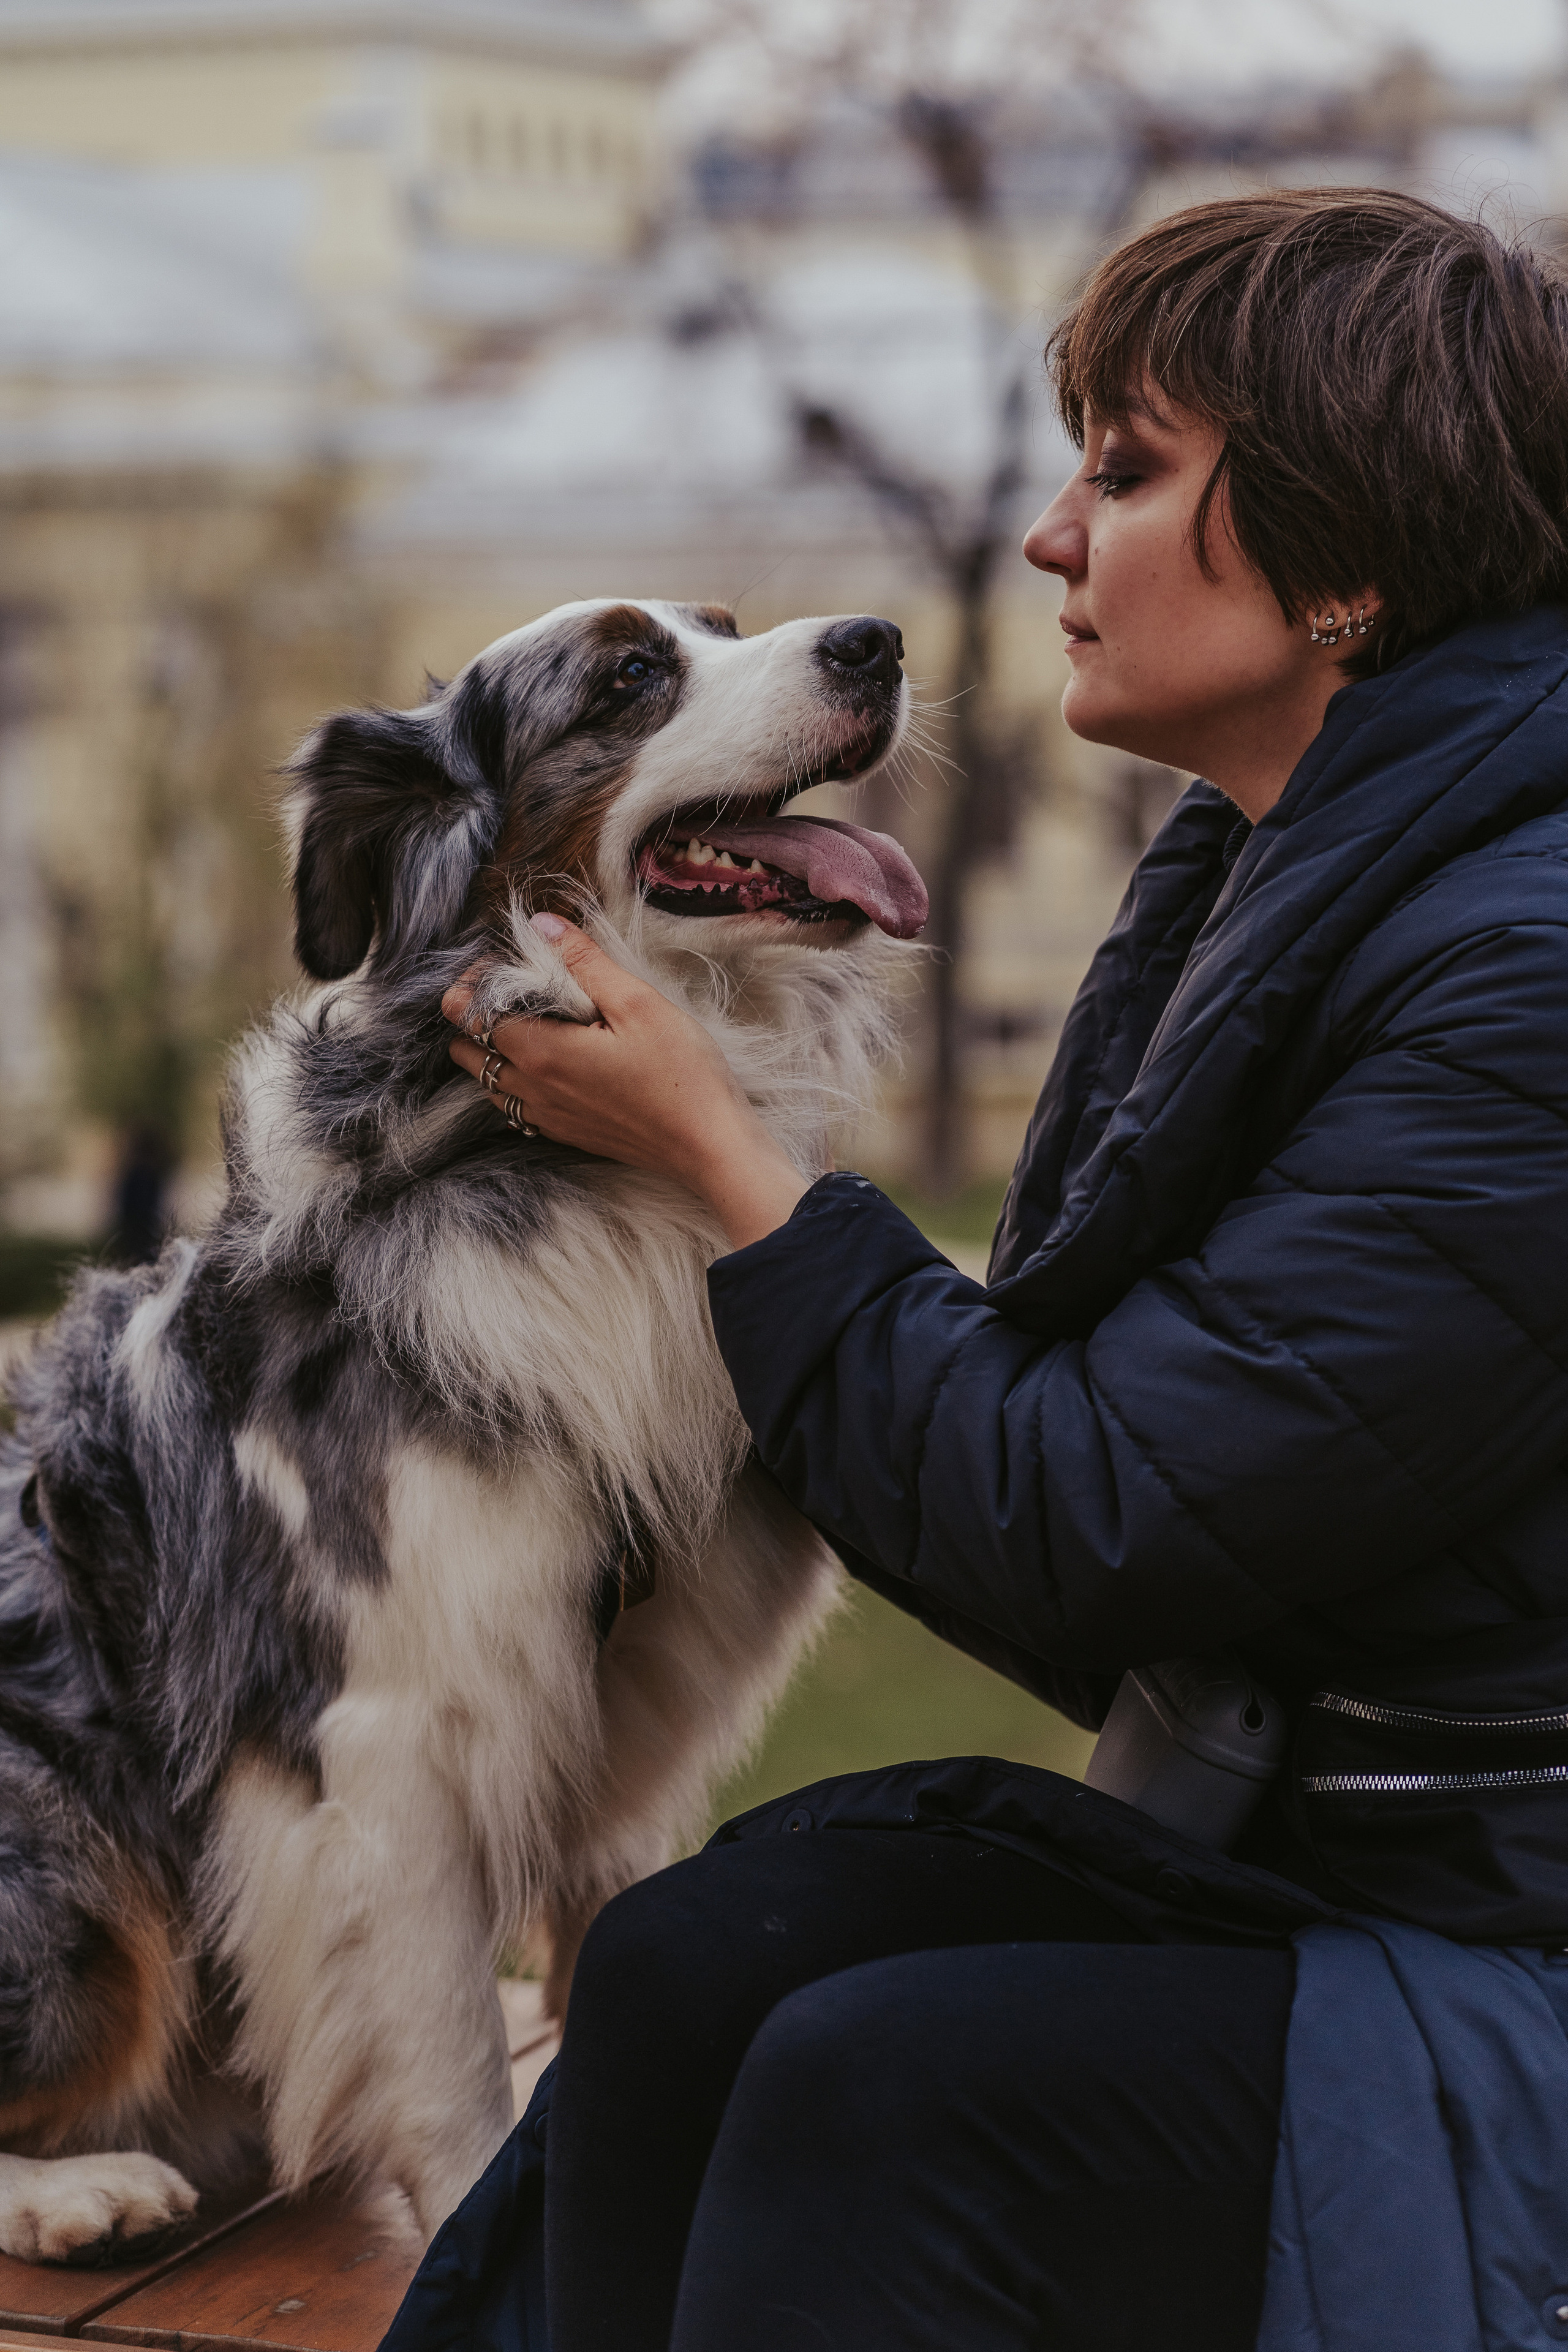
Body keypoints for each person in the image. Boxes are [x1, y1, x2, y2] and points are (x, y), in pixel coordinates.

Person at [413, 190, 1568, 2350]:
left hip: (1510, 1970)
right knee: (688, 1962)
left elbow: (1100, 1522)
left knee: (888, 2092)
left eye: (1125, 474)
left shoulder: (1523, 972)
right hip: (1328, 1864)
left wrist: (727, 1164)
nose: (1046, 540)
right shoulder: (1283, 879)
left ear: (1344, 563)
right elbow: (1099, 1460)